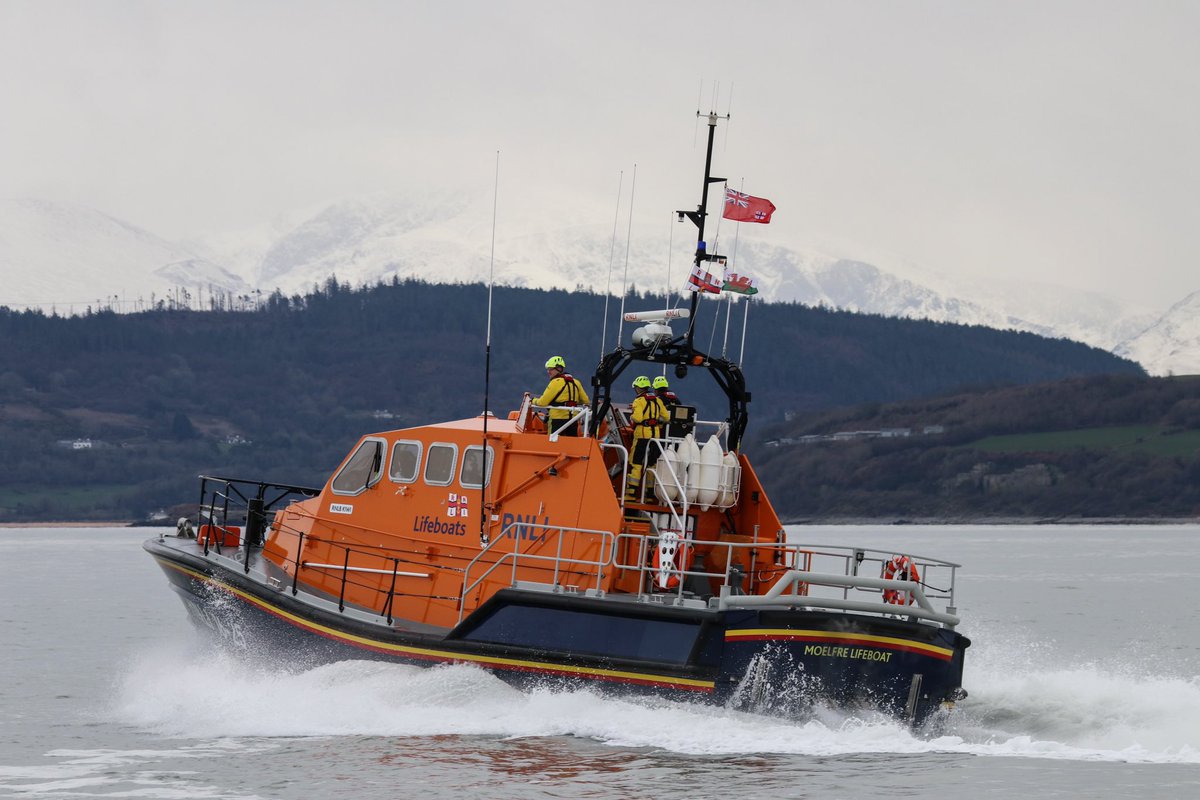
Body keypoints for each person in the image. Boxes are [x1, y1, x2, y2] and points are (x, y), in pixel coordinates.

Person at [626, 375, 668, 501]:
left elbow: (638, 418)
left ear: (638, 388)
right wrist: (656, 421)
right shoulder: (657, 400)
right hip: (656, 436)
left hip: (642, 435)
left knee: (636, 463)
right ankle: (650, 494)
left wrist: (632, 415)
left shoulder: (638, 401)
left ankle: (631, 494)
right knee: (652, 464)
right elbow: (666, 417)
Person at [535, 355, 589, 437]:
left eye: (550, 369)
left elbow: (542, 402)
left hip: (557, 420)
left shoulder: (555, 382)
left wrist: (533, 400)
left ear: (558, 369)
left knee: (552, 445)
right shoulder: (576, 382)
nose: (548, 372)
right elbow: (586, 401)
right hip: (573, 420)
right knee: (571, 445)